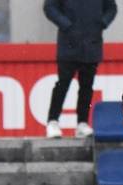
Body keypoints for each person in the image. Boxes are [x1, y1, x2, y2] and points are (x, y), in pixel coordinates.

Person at [43, 0, 117, 139]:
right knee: (62, 84)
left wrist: (102, 23)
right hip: (68, 44)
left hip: (92, 43)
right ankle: (52, 122)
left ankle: (82, 123)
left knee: (87, 86)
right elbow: (49, 7)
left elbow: (111, 8)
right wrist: (66, 24)